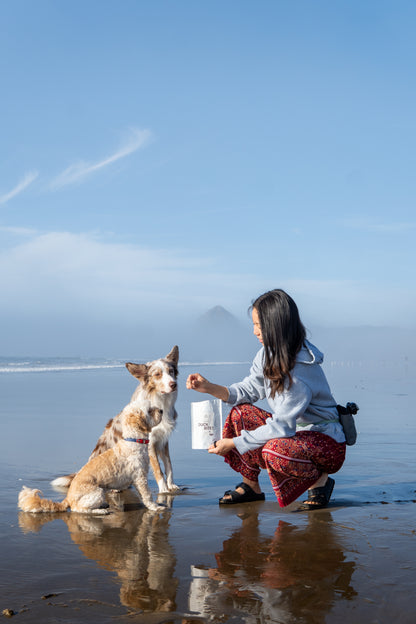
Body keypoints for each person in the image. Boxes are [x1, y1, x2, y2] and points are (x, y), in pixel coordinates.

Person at [186, 289, 346, 510]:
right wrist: (209, 387)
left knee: (275, 449)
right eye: (253, 325)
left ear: (277, 325)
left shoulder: (299, 370)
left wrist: (232, 443)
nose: (254, 332)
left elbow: (281, 427)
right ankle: (251, 486)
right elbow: (249, 389)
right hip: (295, 435)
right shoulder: (266, 354)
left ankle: (320, 481)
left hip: (325, 444)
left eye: (259, 325)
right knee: (240, 414)